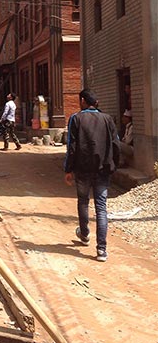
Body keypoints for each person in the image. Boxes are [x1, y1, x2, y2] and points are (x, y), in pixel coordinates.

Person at [64, 89, 120, 263]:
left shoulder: (76, 118)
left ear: (82, 100)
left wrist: (68, 169)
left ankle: (85, 234)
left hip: (82, 170)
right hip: (103, 169)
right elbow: (116, 144)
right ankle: (101, 250)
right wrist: (113, 165)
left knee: (83, 201)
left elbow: (71, 147)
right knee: (101, 208)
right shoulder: (108, 119)